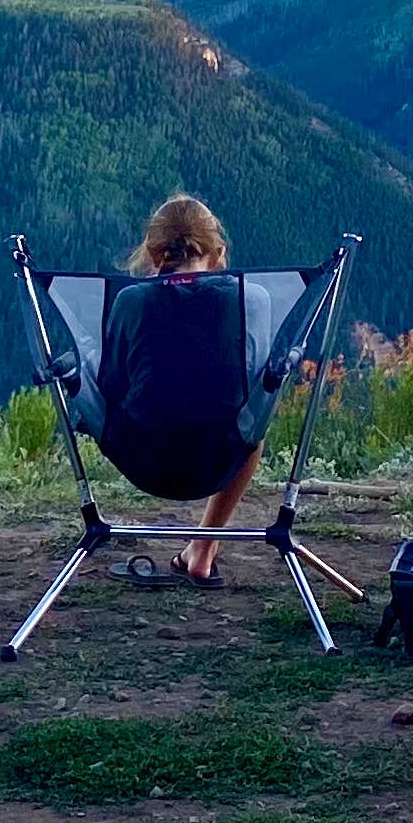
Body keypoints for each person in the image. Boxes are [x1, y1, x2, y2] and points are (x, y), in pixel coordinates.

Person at [122, 193, 253, 584]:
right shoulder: (249, 300)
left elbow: (110, 380)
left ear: (150, 251)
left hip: (138, 455)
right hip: (219, 455)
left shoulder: (130, 302)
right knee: (253, 414)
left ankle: (97, 527)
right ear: (219, 252)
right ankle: (205, 546)